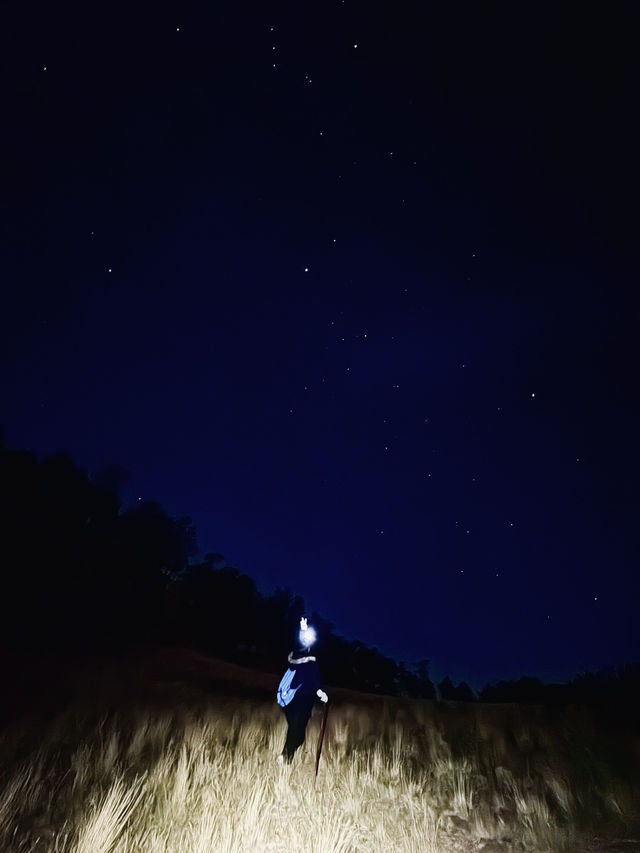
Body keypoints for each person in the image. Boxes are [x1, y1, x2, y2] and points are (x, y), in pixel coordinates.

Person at [277, 617, 328, 763]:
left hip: (292, 699)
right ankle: (285, 757)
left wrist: (319, 692)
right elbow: (313, 678)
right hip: (300, 698)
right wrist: (304, 630)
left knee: (295, 730)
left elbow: (313, 678)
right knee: (298, 734)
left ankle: (285, 758)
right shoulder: (301, 656)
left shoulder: (300, 657)